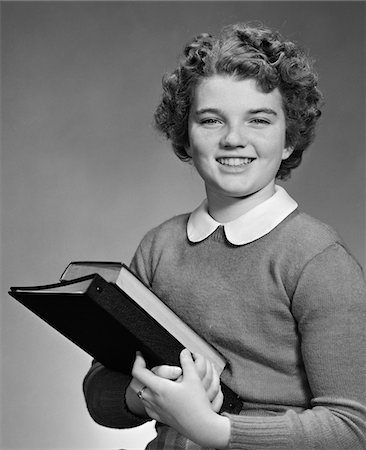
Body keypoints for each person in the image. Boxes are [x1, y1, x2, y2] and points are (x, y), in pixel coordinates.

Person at [83, 23, 366, 449]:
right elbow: (99, 390)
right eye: (212, 119)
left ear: (289, 140)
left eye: (259, 119)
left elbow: (351, 429)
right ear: (185, 134)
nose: (234, 138)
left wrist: (211, 429)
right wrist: (147, 395)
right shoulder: (159, 248)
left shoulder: (317, 259)